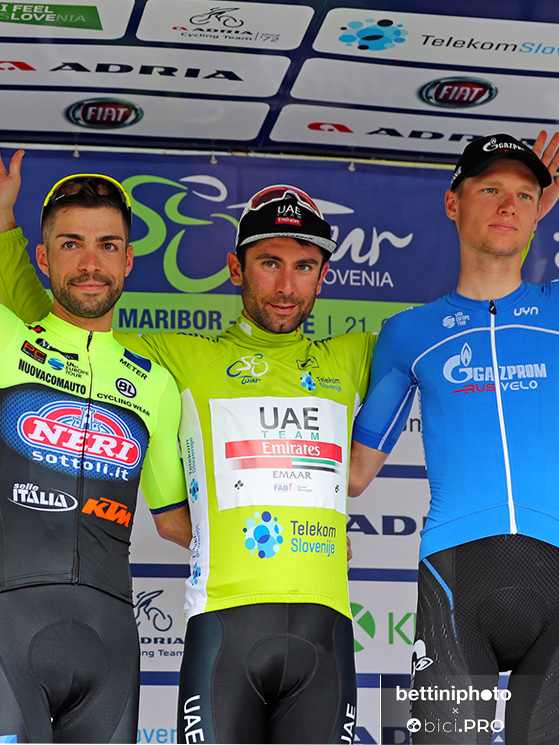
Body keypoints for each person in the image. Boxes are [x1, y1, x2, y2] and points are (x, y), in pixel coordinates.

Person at [0, 165, 375, 744]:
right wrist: (5, 226)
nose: (285, 285)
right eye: (269, 263)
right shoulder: (165, 357)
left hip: (303, 624)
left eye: (304, 266)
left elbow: (445, 341)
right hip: (194, 618)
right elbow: (57, 324)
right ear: (236, 268)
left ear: (324, 276)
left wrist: (301, 530)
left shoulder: (357, 354)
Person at [349, 132, 559, 743]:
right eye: (490, 190)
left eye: (524, 195)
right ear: (452, 203)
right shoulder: (407, 333)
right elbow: (355, 473)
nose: (508, 204)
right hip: (455, 581)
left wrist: (524, 217)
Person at [0, 169, 190, 743]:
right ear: (42, 258)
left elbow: (177, 521)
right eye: (70, 244)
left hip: (109, 639)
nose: (90, 263)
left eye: (107, 245)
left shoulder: (155, 385)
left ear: (128, 261)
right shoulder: (6, 340)